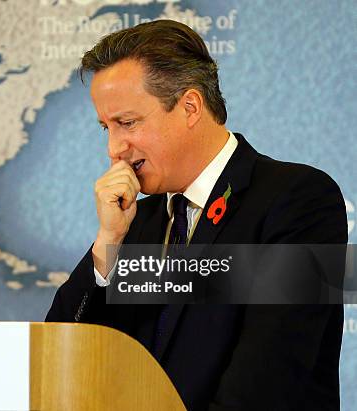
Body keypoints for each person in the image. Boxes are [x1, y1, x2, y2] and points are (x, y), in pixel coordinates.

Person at [45, 20, 347, 411]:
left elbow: (270, 380)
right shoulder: (138, 222)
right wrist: (108, 244)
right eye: (106, 127)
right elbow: (64, 358)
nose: (114, 148)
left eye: (127, 122)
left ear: (189, 106)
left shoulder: (299, 198)